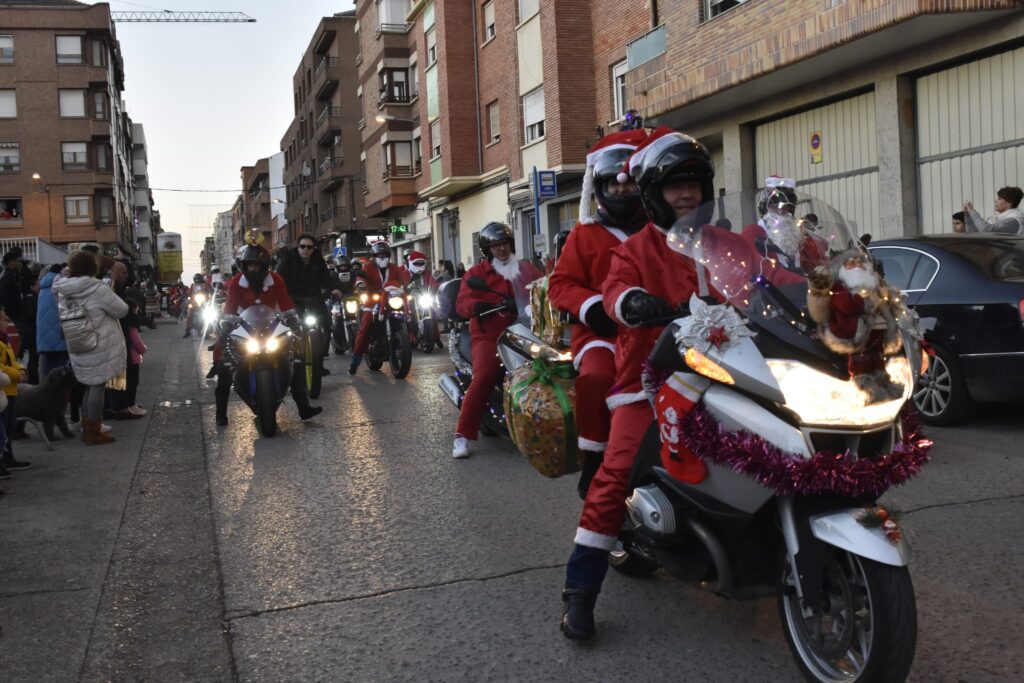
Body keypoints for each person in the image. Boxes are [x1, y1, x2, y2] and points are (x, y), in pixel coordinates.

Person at [559, 128, 726, 640]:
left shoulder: (726, 243)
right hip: (651, 377)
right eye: (675, 185)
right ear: (655, 192)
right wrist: (628, 303)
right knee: (616, 471)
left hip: (729, 373)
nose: (686, 194)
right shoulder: (634, 249)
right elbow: (614, 290)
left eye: (693, 184)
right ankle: (580, 589)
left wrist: (827, 288)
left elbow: (767, 279)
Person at [548, 129, 649, 498]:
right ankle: (594, 455)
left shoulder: (658, 229)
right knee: (596, 376)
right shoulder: (585, 235)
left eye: (628, 183)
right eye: (612, 184)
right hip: (601, 334)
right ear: (600, 188)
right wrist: (591, 308)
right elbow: (561, 284)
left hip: (655, 330)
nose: (621, 190)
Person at [452, 223, 543, 459]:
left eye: (504, 244)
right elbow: (462, 303)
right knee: (484, 376)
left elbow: (543, 286)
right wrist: (477, 306)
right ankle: (462, 435)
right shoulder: (476, 274)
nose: (501, 249)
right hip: (489, 333)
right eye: (496, 246)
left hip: (524, 331)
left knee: (551, 367)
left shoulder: (525, 269)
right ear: (487, 250)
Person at [214, 244, 323, 426]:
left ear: (264, 266)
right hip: (242, 323)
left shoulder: (276, 279)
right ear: (243, 266)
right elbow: (230, 308)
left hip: (270, 321)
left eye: (256, 265)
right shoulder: (236, 282)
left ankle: (304, 408)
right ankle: (220, 414)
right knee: (225, 364)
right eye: (249, 265)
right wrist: (225, 326)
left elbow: (286, 303)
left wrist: (293, 321)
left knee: (295, 360)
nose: (252, 269)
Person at [52, 250, 128, 446]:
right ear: (92, 266)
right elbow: (122, 310)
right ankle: (93, 431)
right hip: (99, 343)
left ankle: (88, 426)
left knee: (88, 385)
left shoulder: (64, 290)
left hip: (78, 342)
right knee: (97, 386)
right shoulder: (97, 288)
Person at [276, 233, 343, 367]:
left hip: (314, 297)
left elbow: (325, 277)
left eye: (309, 247)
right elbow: (279, 279)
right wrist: (281, 296)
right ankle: (289, 356)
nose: (305, 249)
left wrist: (334, 289)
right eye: (303, 246)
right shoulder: (289, 259)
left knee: (326, 323)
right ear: (298, 247)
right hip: (294, 298)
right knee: (288, 326)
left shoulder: (318, 259)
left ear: (313, 249)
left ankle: (320, 359)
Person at [348, 241, 412, 375]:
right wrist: (361, 285)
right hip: (373, 301)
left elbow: (404, 280)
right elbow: (361, 279)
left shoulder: (394, 268)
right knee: (365, 327)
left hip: (391, 301)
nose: (382, 257)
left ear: (389, 255)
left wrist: (409, 285)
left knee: (406, 315)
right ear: (374, 256)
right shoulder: (368, 267)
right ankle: (356, 360)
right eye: (379, 255)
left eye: (385, 254)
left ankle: (410, 338)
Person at [0, 305, 29, 474]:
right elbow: (2, 367)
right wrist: (17, 374)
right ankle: (4, 459)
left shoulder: (5, 341)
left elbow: (12, 362)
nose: (8, 322)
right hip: (4, 390)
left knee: (9, 426)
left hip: (10, 390)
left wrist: (21, 368)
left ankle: (8, 457)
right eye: (4, 319)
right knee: (3, 428)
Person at [36, 263, 69, 379]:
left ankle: (47, 387)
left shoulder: (43, 287)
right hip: (59, 332)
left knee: (49, 365)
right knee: (61, 368)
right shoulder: (61, 287)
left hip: (45, 333)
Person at [182, 273, 208, 337]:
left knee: (211, 312)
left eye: (198, 278)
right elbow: (189, 292)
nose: (197, 280)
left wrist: (209, 294)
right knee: (189, 313)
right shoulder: (193, 286)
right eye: (196, 279)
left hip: (204, 302)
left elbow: (209, 291)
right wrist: (188, 295)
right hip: (194, 302)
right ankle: (187, 330)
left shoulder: (205, 285)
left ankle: (211, 328)